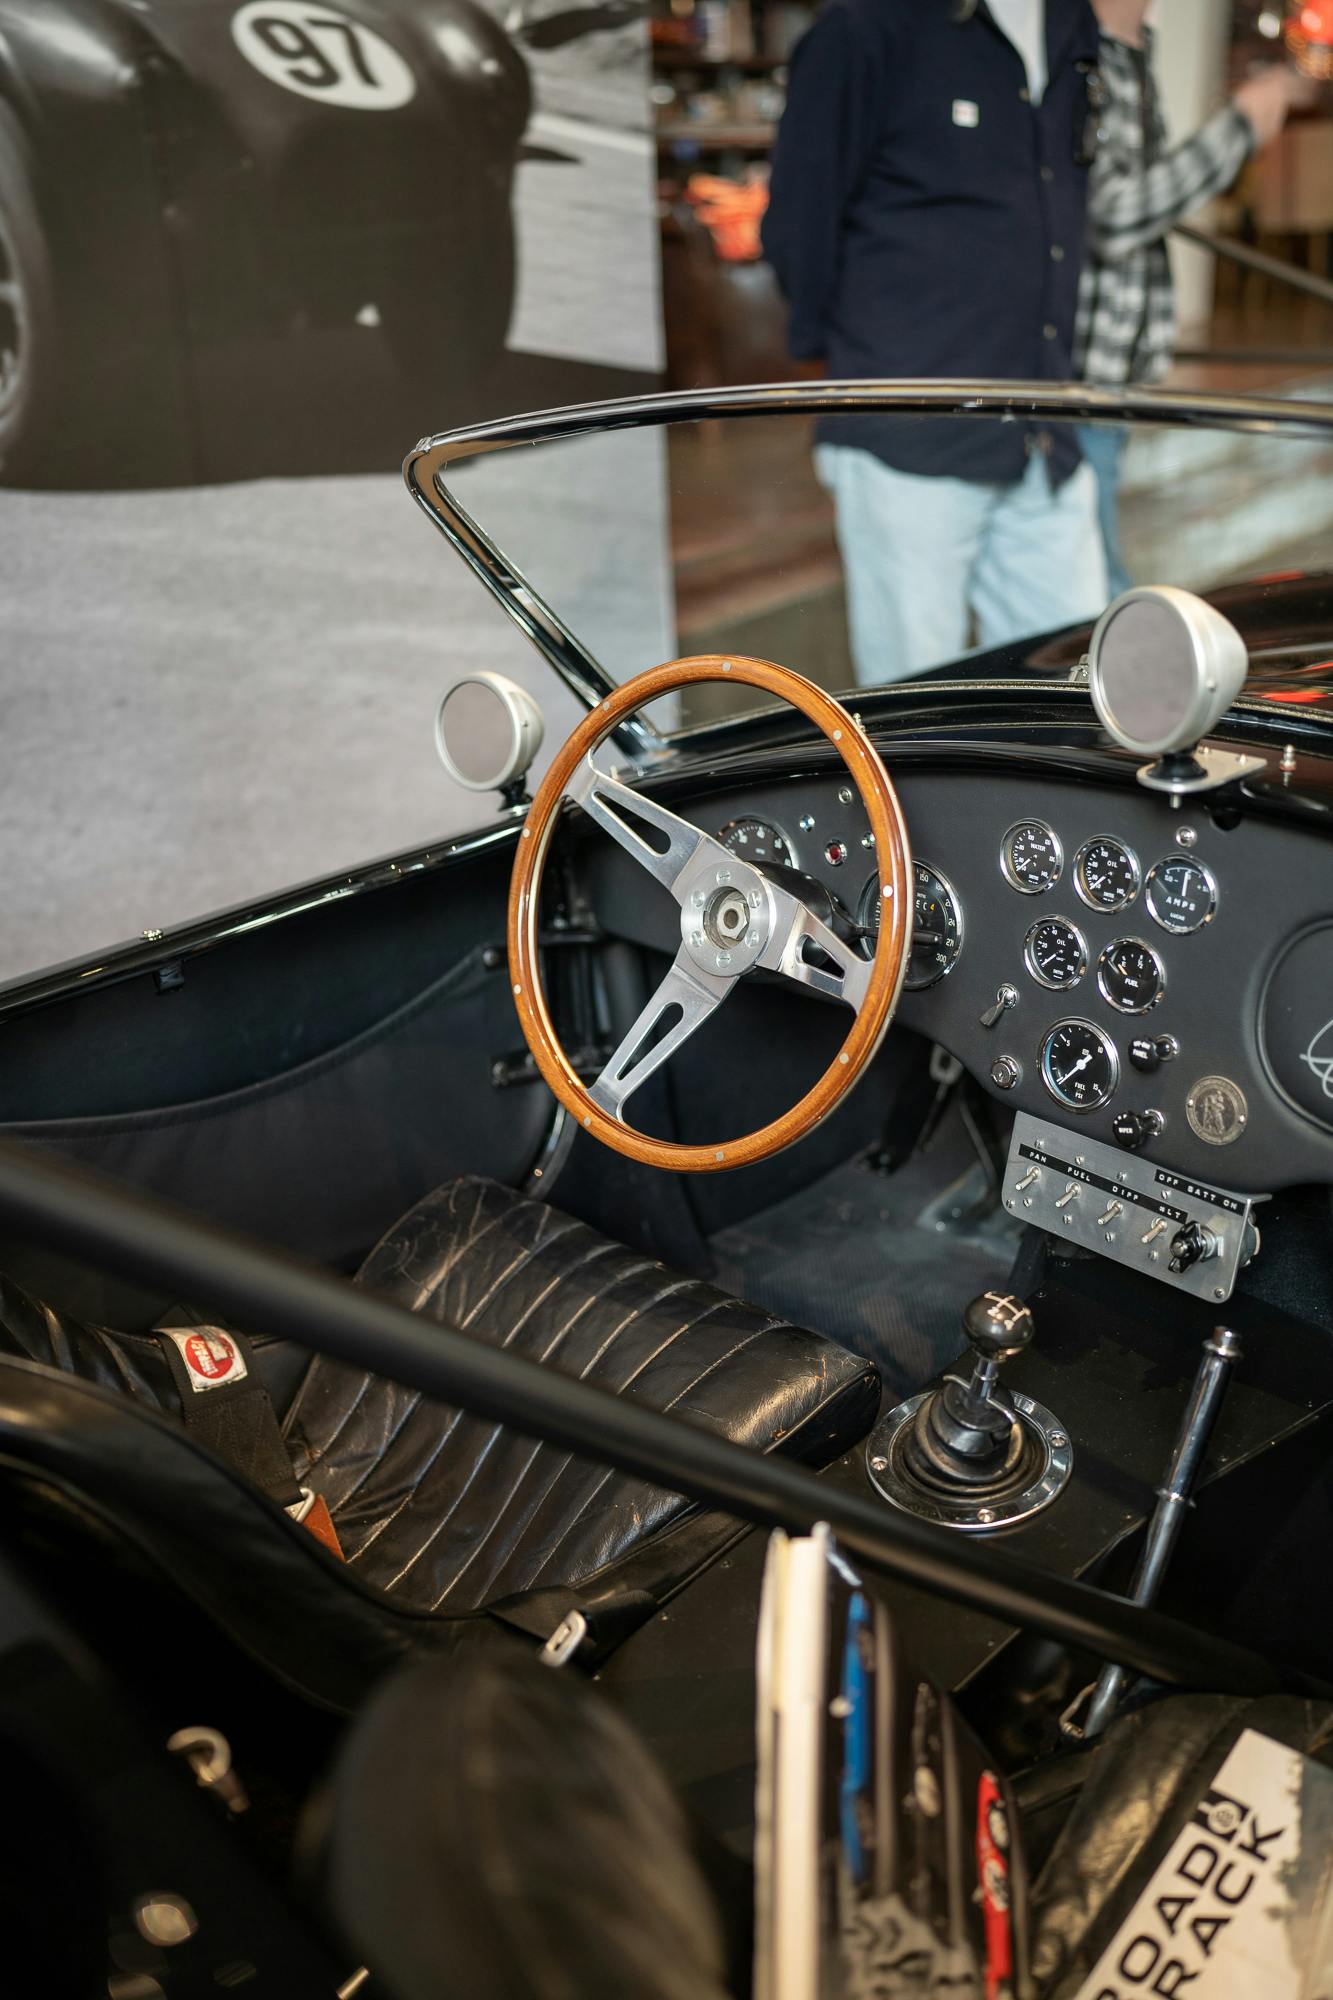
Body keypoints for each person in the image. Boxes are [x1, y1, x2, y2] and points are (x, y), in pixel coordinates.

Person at [761, 0, 1108, 685]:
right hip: (907, 435)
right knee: (916, 706)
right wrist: (855, 359)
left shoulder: (1073, 25)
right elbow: (798, 225)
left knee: (1075, 690)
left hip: (1044, 429)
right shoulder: (865, 31)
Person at [1075, 2, 1313, 595]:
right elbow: (1116, 217)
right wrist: (1239, 124)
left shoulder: (1130, 57)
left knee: (1092, 580)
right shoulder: (1088, 56)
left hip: (1106, 383)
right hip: (1077, 383)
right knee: (1090, 589)